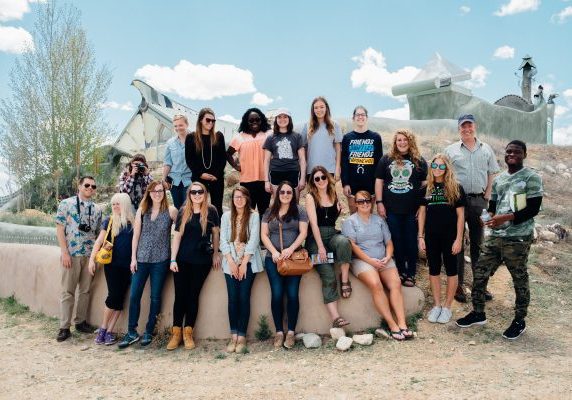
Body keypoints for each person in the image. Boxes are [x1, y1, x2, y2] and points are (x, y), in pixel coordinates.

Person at [457, 140, 543, 340]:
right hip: (496, 237)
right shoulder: (499, 180)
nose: (511, 154)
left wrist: (505, 218)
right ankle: (478, 313)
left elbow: (533, 209)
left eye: (517, 151)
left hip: (518, 238)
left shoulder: (532, 177)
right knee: (480, 273)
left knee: (519, 279)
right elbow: (493, 206)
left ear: (524, 154)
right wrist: (486, 217)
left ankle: (519, 320)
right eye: (508, 151)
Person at [342, 191, 414, 340]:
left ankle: (402, 323)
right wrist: (370, 261)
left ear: (371, 202)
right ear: (355, 204)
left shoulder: (379, 220)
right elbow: (353, 246)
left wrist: (387, 257)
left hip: (383, 259)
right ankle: (392, 324)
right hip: (362, 261)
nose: (365, 204)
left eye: (367, 200)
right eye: (361, 201)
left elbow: (388, 242)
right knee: (376, 284)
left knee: (396, 284)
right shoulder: (350, 222)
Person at [445, 114, 500, 303]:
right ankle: (457, 286)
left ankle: (480, 286)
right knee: (457, 244)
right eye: (463, 126)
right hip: (457, 202)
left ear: (475, 127)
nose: (466, 129)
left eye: (469, 126)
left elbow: (492, 172)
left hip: (479, 201)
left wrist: (487, 195)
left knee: (478, 244)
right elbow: (442, 174)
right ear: (459, 129)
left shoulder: (486, 149)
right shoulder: (450, 150)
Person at [118, 181, 178, 348]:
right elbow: (136, 236)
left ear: (164, 193)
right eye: (154, 191)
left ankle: (149, 331)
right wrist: (133, 258)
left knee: (155, 297)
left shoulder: (171, 211)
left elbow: (180, 229)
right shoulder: (142, 211)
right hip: (142, 259)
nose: (157, 194)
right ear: (149, 193)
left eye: (160, 191)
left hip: (161, 260)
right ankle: (131, 332)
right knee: (134, 295)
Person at [167, 182, 221, 350]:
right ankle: (176, 333)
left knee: (193, 295)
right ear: (189, 194)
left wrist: (216, 253)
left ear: (205, 193)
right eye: (193, 192)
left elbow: (216, 234)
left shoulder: (211, 211)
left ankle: (188, 332)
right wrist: (173, 259)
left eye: (200, 191)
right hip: (182, 260)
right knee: (180, 296)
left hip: (202, 261)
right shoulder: (183, 211)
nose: (197, 194)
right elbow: (177, 237)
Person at [375, 129, 427, 287]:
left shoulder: (419, 161)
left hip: (412, 210)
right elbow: (379, 181)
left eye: (405, 140)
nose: (402, 143)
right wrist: (379, 202)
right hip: (392, 209)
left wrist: (422, 206)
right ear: (395, 142)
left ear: (410, 141)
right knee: (396, 240)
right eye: (399, 140)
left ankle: (411, 272)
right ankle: (399, 271)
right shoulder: (386, 159)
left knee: (411, 240)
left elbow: (425, 184)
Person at [417, 155, 466, 324]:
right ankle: (437, 305)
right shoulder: (426, 188)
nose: (437, 168)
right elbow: (422, 213)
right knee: (434, 270)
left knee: (452, 270)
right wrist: (421, 236)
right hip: (431, 236)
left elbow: (461, 216)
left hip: (450, 236)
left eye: (441, 166)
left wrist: (459, 238)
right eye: (434, 165)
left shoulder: (456, 188)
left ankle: (447, 307)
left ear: (447, 169)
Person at [261, 182, 308, 349]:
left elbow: (303, 232)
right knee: (277, 294)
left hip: (293, 258)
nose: (286, 194)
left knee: (293, 294)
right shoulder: (269, 212)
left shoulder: (300, 211)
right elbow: (264, 235)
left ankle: (291, 332)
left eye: (289, 192)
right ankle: (279, 331)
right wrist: (274, 252)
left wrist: (291, 249)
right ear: (277, 193)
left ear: (293, 194)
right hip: (273, 259)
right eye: (283, 192)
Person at [55, 176, 103, 342]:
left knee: (85, 290)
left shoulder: (97, 209)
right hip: (72, 254)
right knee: (67, 291)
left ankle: (80, 322)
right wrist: (64, 252)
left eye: (93, 186)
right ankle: (64, 327)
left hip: (89, 255)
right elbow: (60, 228)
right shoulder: (66, 204)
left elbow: (98, 234)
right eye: (87, 185)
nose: (90, 188)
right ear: (80, 186)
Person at [305, 166, 352, 327]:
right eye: (316, 179)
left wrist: (339, 210)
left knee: (344, 242)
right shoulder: (310, 197)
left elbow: (331, 219)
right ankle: (336, 317)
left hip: (332, 234)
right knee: (328, 275)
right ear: (313, 182)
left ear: (327, 178)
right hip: (315, 240)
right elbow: (314, 224)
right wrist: (320, 247)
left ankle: (345, 279)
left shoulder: (333, 194)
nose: (320, 181)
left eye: (323, 177)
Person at [220, 186, 263, 353]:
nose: (239, 199)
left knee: (244, 297)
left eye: (242, 197)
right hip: (229, 263)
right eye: (236, 197)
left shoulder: (254, 216)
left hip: (248, 263)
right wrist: (231, 261)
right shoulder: (225, 217)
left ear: (247, 199)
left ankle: (242, 336)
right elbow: (223, 240)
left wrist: (244, 263)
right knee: (232, 298)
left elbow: (253, 241)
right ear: (232, 199)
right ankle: (233, 336)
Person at [88, 193, 134, 345]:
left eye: (118, 204)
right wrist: (91, 260)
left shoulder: (133, 222)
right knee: (113, 296)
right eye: (113, 204)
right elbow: (99, 241)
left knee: (120, 300)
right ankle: (102, 329)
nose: (115, 206)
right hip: (112, 265)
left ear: (125, 204)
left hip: (129, 267)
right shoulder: (109, 221)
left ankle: (109, 332)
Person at [227, 108, 272, 216]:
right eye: (251, 120)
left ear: (262, 120)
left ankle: (263, 233)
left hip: (264, 181)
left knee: (264, 213)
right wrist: (236, 166)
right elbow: (228, 154)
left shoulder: (268, 135)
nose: (254, 122)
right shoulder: (239, 137)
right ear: (246, 122)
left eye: (257, 119)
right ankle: (249, 233)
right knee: (248, 214)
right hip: (247, 182)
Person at [185, 108, 227, 216]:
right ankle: (201, 231)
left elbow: (223, 158)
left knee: (217, 207)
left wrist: (215, 175)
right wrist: (201, 174)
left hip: (216, 178)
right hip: (199, 178)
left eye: (213, 121)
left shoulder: (218, 136)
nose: (211, 123)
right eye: (208, 120)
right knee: (198, 207)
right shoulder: (191, 138)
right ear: (200, 120)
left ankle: (217, 231)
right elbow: (189, 159)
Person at [341, 106, 383, 213]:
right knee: (354, 216)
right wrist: (345, 183)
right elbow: (344, 162)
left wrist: (379, 183)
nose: (360, 117)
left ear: (367, 118)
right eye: (357, 115)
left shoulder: (375, 137)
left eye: (363, 114)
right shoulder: (347, 138)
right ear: (353, 118)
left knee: (368, 216)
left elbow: (380, 163)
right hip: (352, 185)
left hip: (371, 184)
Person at [263, 108, 306, 197]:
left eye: (285, 117)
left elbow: (302, 159)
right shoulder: (270, 138)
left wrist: (302, 178)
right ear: (276, 120)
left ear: (289, 119)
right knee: (277, 202)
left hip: (293, 172)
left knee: (294, 201)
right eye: (279, 117)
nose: (282, 119)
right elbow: (266, 160)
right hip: (276, 172)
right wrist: (266, 181)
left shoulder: (297, 136)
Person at [300, 96, 343, 180]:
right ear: (313, 110)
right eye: (316, 108)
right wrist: (304, 170)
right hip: (311, 170)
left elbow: (338, 149)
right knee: (312, 194)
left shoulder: (334, 125)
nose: (319, 110)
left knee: (330, 193)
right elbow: (303, 149)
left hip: (330, 169)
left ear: (326, 108)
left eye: (322, 107)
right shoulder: (307, 126)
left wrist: (337, 168)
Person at [163, 114, 193, 209]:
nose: (178, 128)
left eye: (180, 125)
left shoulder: (195, 139)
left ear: (187, 124)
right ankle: (179, 224)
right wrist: (163, 179)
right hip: (174, 182)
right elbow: (168, 163)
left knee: (188, 208)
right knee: (177, 209)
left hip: (189, 180)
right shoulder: (170, 143)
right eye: (175, 126)